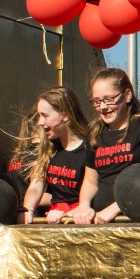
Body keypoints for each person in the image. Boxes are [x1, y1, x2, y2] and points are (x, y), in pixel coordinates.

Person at [75, 68, 140, 225]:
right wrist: (83, 206)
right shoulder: (94, 133)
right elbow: (91, 182)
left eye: (109, 99)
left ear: (127, 95)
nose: (103, 107)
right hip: (100, 223)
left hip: (135, 221)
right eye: (97, 101)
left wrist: (116, 208)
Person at [21, 87, 92, 224]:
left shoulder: (88, 148)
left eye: (45, 116)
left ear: (65, 115)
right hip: (55, 217)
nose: (40, 122)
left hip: (79, 219)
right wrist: (28, 209)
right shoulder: (49, 146)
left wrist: (66, 213)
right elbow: (36, 185)